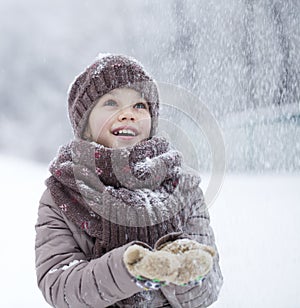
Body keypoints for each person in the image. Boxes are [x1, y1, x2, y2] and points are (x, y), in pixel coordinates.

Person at [35, 53, 223, 307]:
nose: (128, 114)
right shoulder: (62, 193)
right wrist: (130, 269)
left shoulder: (182, 186)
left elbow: (208, 289)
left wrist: (181, 268)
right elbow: (60, 287)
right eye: (111, 103)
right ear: (85, 126)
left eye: (139, 105)